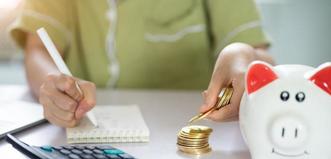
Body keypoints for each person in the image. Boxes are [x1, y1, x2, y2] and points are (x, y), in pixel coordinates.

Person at [10, 0, 274, 127]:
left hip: (194, 132)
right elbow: (38, 52)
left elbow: (259, 57)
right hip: (83, 132)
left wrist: (244, 56)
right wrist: (55, 87)